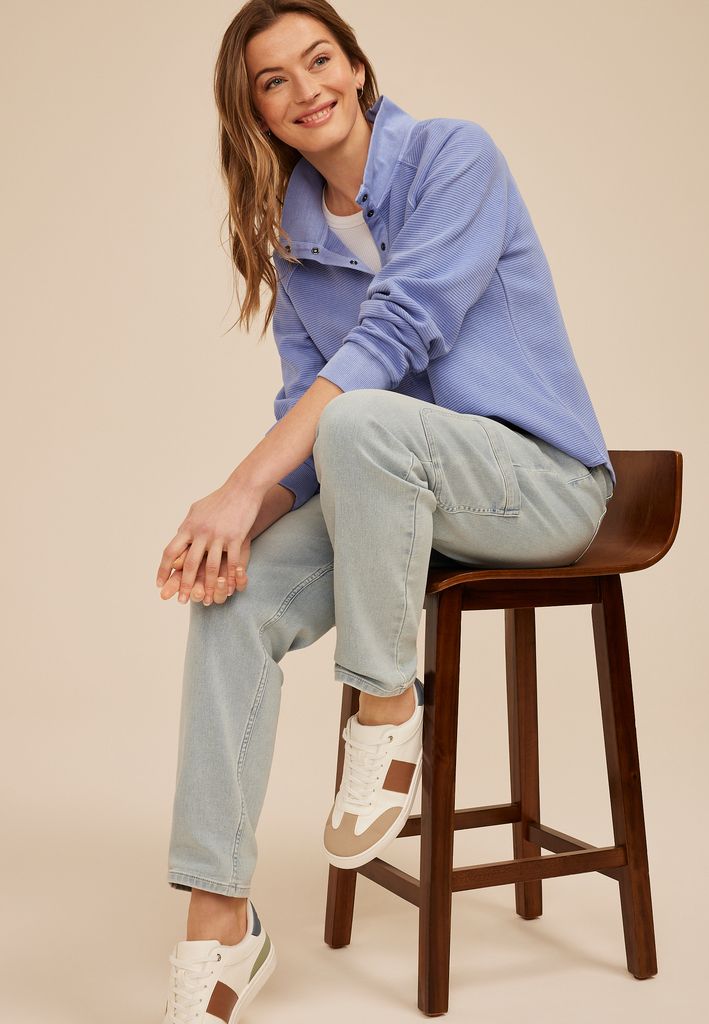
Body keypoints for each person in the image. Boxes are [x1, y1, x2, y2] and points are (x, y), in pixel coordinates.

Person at [156, 1, 616, 1019]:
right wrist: (238, 524)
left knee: (360, 418)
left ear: (357, 67)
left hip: (539, 485)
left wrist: (237, 486)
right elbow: (307, 419)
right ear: (258, 113)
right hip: (390, 500)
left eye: (319, 59)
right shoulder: (294, 244)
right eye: (273, 80)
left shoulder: (454, 156)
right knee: (234, 597)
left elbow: (394, 338)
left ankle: (385, 707)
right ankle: (219, 921)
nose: (305, 88)